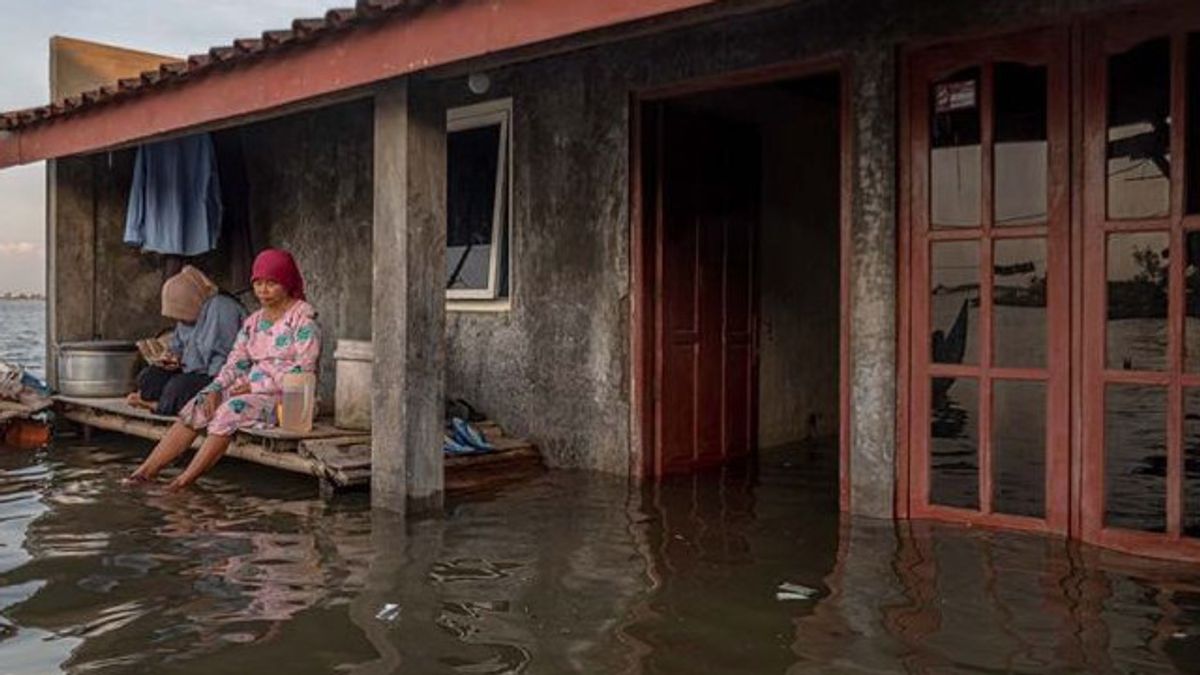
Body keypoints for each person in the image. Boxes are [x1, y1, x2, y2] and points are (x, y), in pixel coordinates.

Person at [125, 249, 320, 490]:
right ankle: (145, 472)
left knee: (229, 409)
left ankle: (181, 482)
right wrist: (215, 387)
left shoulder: (303, 321)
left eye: (271, 283)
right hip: (249, 392)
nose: (263, 290)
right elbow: (235, 362)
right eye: (258, 283)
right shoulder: (254, 322)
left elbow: (303, 370)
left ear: (287, 282)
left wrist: (255, 385)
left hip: (288, 401)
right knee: (200, 402)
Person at [127, 266, 247, 415]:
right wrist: (172, 358)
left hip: (218, 376)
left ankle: (157, 405)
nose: (181, 320)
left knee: (178, 388)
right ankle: (160, 401)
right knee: (149, 378)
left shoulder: (222, 309)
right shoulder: (187, 316)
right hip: (191, 371)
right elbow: (177, 346)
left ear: (192, 300)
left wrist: (213, 385)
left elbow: (224, 358)